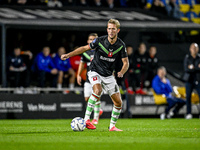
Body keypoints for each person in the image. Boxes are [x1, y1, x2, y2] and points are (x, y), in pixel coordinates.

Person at [61, 19, 129, 131]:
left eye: (113, 29)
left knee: (118, 102)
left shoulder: (121, 45)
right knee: (98, 90)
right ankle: (87, 119)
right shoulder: (100, 41)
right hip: (95, 70)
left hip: (108, 75)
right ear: (107, 29)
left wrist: (122, 71)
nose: (111, 31)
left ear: (118, 30)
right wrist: (69, 55)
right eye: (109, 28)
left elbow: (126, 62)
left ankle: (112, 126)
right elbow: (84, 48)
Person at [77, 33, 103, 125]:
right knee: (87, 99)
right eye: (90, 39)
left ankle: (95, 118)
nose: (92, 41)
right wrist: (78, 75)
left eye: (94, 39)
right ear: (88, 41)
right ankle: (98, 110)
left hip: (98, 79)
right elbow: (81, 64)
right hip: (88, 79)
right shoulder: (85, 52)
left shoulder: (101, 51)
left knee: (97, 96)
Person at [183, 43, 200, 119]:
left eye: (195, 48)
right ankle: (189, 113)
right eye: (193, 48)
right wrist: (197, 68)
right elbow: (186, 69)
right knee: (188, 97)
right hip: (189, 80)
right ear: (190, 49)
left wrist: (192, 68)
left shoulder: (199, 57)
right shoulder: (187, 57)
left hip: (198, 80)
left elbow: (191, 69)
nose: (194, 49)